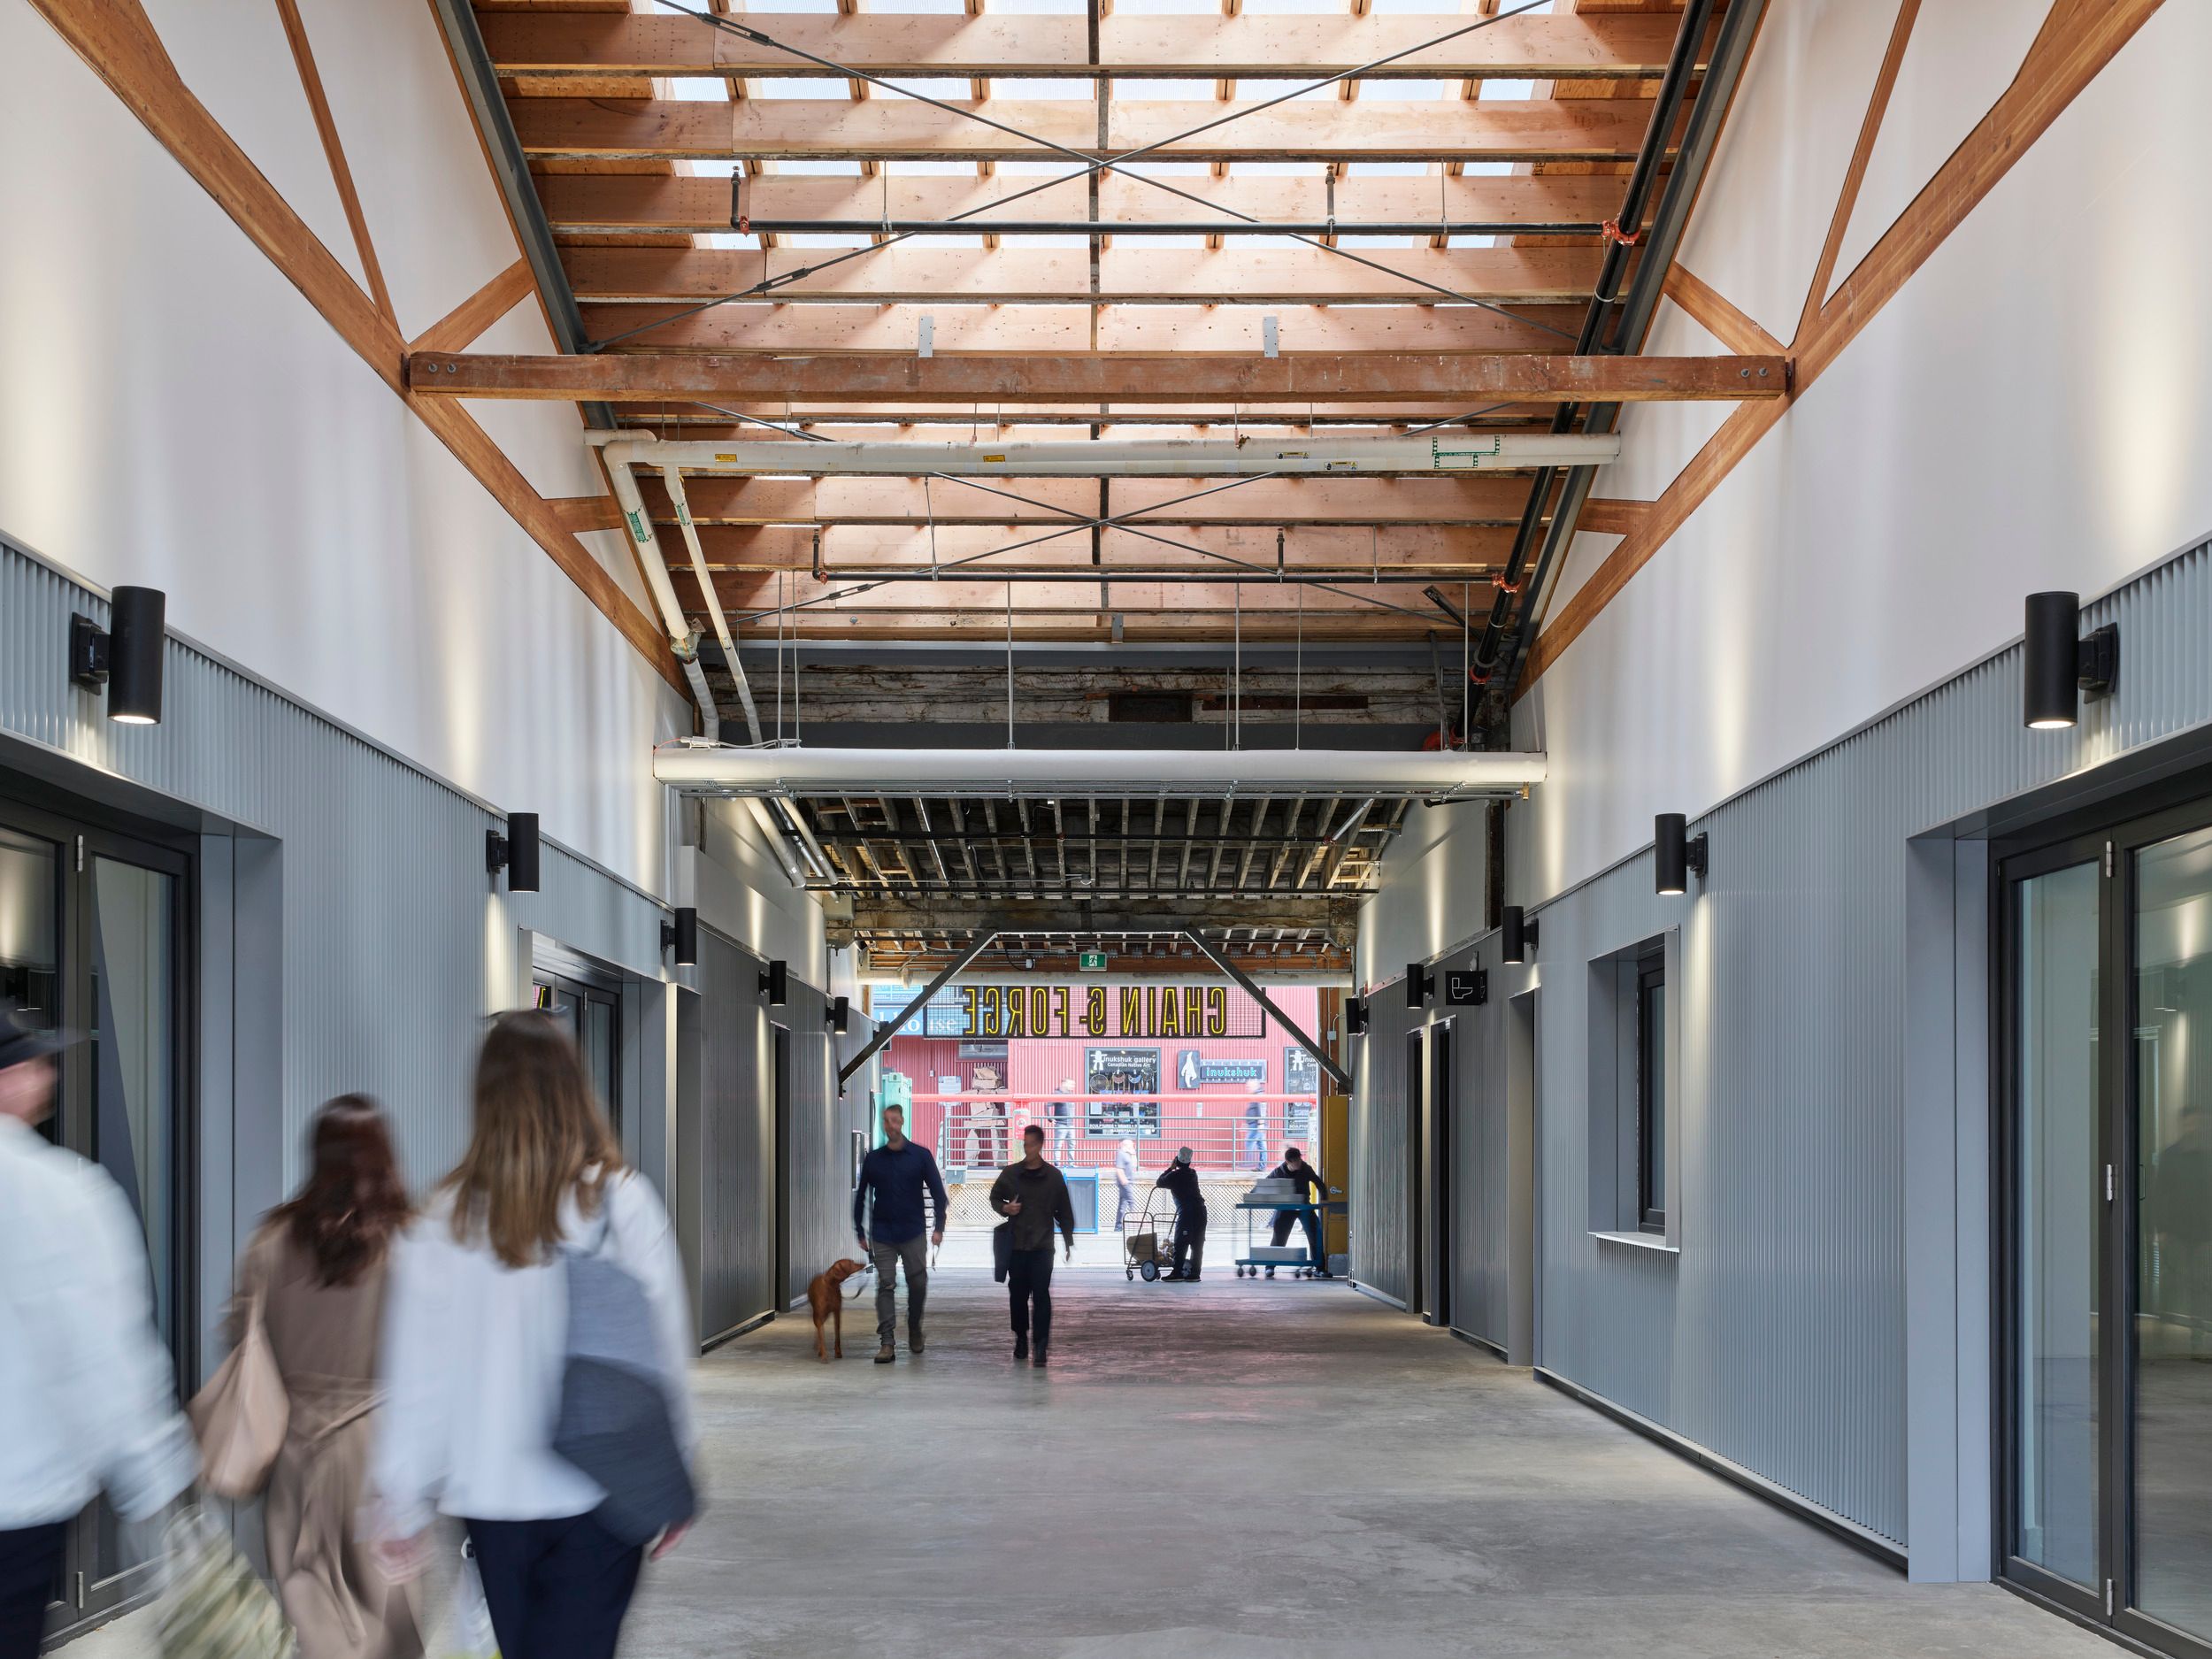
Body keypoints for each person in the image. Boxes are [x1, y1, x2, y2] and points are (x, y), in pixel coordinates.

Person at [373, 1013, 695, 1659]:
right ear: (574, 1088)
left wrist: (401, 1497)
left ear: (485, 1098)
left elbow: (417, 1378)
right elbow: (662, 1347)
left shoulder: (442, 1220)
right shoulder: (622, 1202)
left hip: (492, 1502)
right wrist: (672, 1468)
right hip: (602, 1492)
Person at [0, 1000, 196, 1659]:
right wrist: (154, 1481)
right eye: (35, 1062)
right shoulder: (68, 1196)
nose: (47, 1075)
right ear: (13, 1080)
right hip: (21, 1500)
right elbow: (106, 1354)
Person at [224, 1095, 420, 1659]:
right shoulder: (407, 1243)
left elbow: (241, 1338)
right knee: (389, 1617)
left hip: (295, 1453)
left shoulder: (271, 1241)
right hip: (380, 1454)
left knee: (313, 1615)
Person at [853, 1102, 949, 1364]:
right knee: (885, 1285)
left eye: (895, 1120)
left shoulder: (920, 1155)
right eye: (886, 1121)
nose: (891, 1126)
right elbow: (862, 1195)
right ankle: (887, 1342)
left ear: (902, 1122)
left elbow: (939, 1194)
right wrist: (860, 1230)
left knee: (918, 1284)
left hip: (913, 1232)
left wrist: (939, 1227)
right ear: (884, 1124)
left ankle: (915, 1325)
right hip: (883, 1233)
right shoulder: (874, 1159)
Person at [989, 1124, 1075, 1367]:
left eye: (1030, 1144)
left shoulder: (1054, 1177)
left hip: (1042, 1248)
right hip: (1016, 1247)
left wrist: (1068, 1242)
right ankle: (1020, 1338)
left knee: (1041, 1297)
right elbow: (995, 1197)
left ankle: (1040, 1345)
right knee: (1016, 1296)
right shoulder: (1011, 1174)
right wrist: (1006, 1208)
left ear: (1040, 1145)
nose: (1026, 1148)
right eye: (1024, 1144)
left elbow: (1064, 1212)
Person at [2149, 1102, 2212, 1358]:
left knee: (2199, 1284)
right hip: (2174, 1231)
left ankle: (2197, 1337)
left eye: (2197, 1122)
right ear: (2183, 1123)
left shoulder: (2205, 1158)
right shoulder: (2169, 1156)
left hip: (2198, 1233)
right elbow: (2159, 1195)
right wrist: (2161, 1229)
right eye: (2190, 1121)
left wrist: (2209, 1234)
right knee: (2171, 1281)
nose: (2194, 1126)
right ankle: (2162, 1329)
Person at [1263, 1146, 1333, 1280]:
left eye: (1299, 1160)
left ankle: (1320, 1268)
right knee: (1279, 1236)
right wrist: (1252, 1196)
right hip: (1286, 1207)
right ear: (1288, 1162)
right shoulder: (1279, 1172)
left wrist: (1324, 1198)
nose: (1298, 1163)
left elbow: (1319, 1183)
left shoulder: (1305, 1169)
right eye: (1295, 1161)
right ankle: (1270, 1267)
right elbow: (1265, 1184)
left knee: (1315, 1235)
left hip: (1304, 1207)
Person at [1155, 1145, 1208, 1282]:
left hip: (1187, 1213)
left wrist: (1170, 1168)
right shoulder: (1193, 1173)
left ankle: (1177, 1272)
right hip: (1201, 1212)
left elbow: (1159, 1182)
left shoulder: (1174, 1175)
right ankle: (1195, 1273)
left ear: (1177, 1160)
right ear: (1190, 1162)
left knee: (1180, 1242)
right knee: (1197, 1244)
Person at [967, 1063, 1008, 1169]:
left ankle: (999, 1163)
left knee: (994, 1132)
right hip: (978, 1114)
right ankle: (972, 1164)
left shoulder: (993, 1090)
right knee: (976, 1132)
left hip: (986, 1114)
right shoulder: (977, 1091)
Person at [1049, 1077, 1079, 1165]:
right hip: (1061, 1123)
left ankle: (1071, 1164)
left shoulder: (1070, 1094)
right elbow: (1047, 1105)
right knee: (1058, 1145)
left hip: (1070, 1124)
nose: (1073, 1086)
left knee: (1072, 1144)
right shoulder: (1057, 1094)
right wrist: (1050, 1118)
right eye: (1071, 1084)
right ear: (1064, 1084)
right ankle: (1057, 1165)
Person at [1113, 1137, 1140, 1229]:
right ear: (1125, 1144)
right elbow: (1119, 1169)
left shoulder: (1127, 1154)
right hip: (1125, 1182)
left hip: (1128, 1181)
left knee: (1122, 1205)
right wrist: (1123, 1181)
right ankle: (1138, 1222)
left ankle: (1118, 1226)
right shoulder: (1121, 1153)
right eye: (1131, 1143)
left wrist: (1133, 1153)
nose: (1133, 1145)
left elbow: (1135, 1165)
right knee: (1131, 1201)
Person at [1240, 1082, 1267, 1171]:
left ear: (1255, 1086)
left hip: (1256, 1124)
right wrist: (1247, 1123)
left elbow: (1261, 1110)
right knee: (1261, 1145)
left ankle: (1247, 1164)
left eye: (1249, 1087)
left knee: (1249, 1142)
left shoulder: (1258, 1095)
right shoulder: (1256, 1095)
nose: (1247, 1089)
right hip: (1255, 1124)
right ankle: (1261, 1166)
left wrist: (1261, 1124)